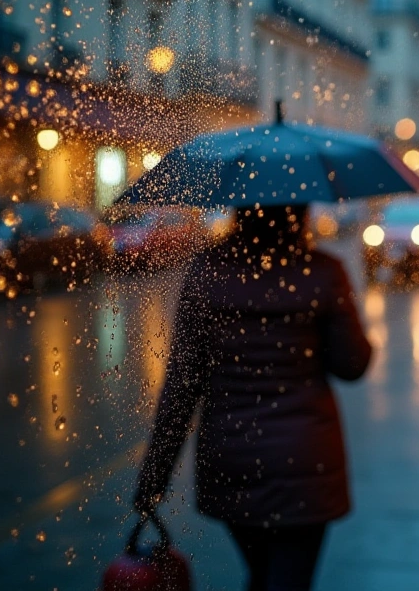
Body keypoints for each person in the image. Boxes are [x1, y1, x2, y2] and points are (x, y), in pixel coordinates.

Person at [134, 204, 372, 591]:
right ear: (301, 211)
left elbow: (182, 386)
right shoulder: (322, 271)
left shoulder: (208, 271)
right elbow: (352, 364)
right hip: (305, 462)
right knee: (289, 577)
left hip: (232, 459)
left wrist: (153, 480)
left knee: (262, 572)